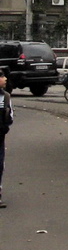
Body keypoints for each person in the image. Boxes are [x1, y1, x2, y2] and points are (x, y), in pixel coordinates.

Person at [0, 71, 12, 207]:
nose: (5, 79)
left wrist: (5, 127)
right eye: (2, 76)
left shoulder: (5, 97)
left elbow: (9, 114)